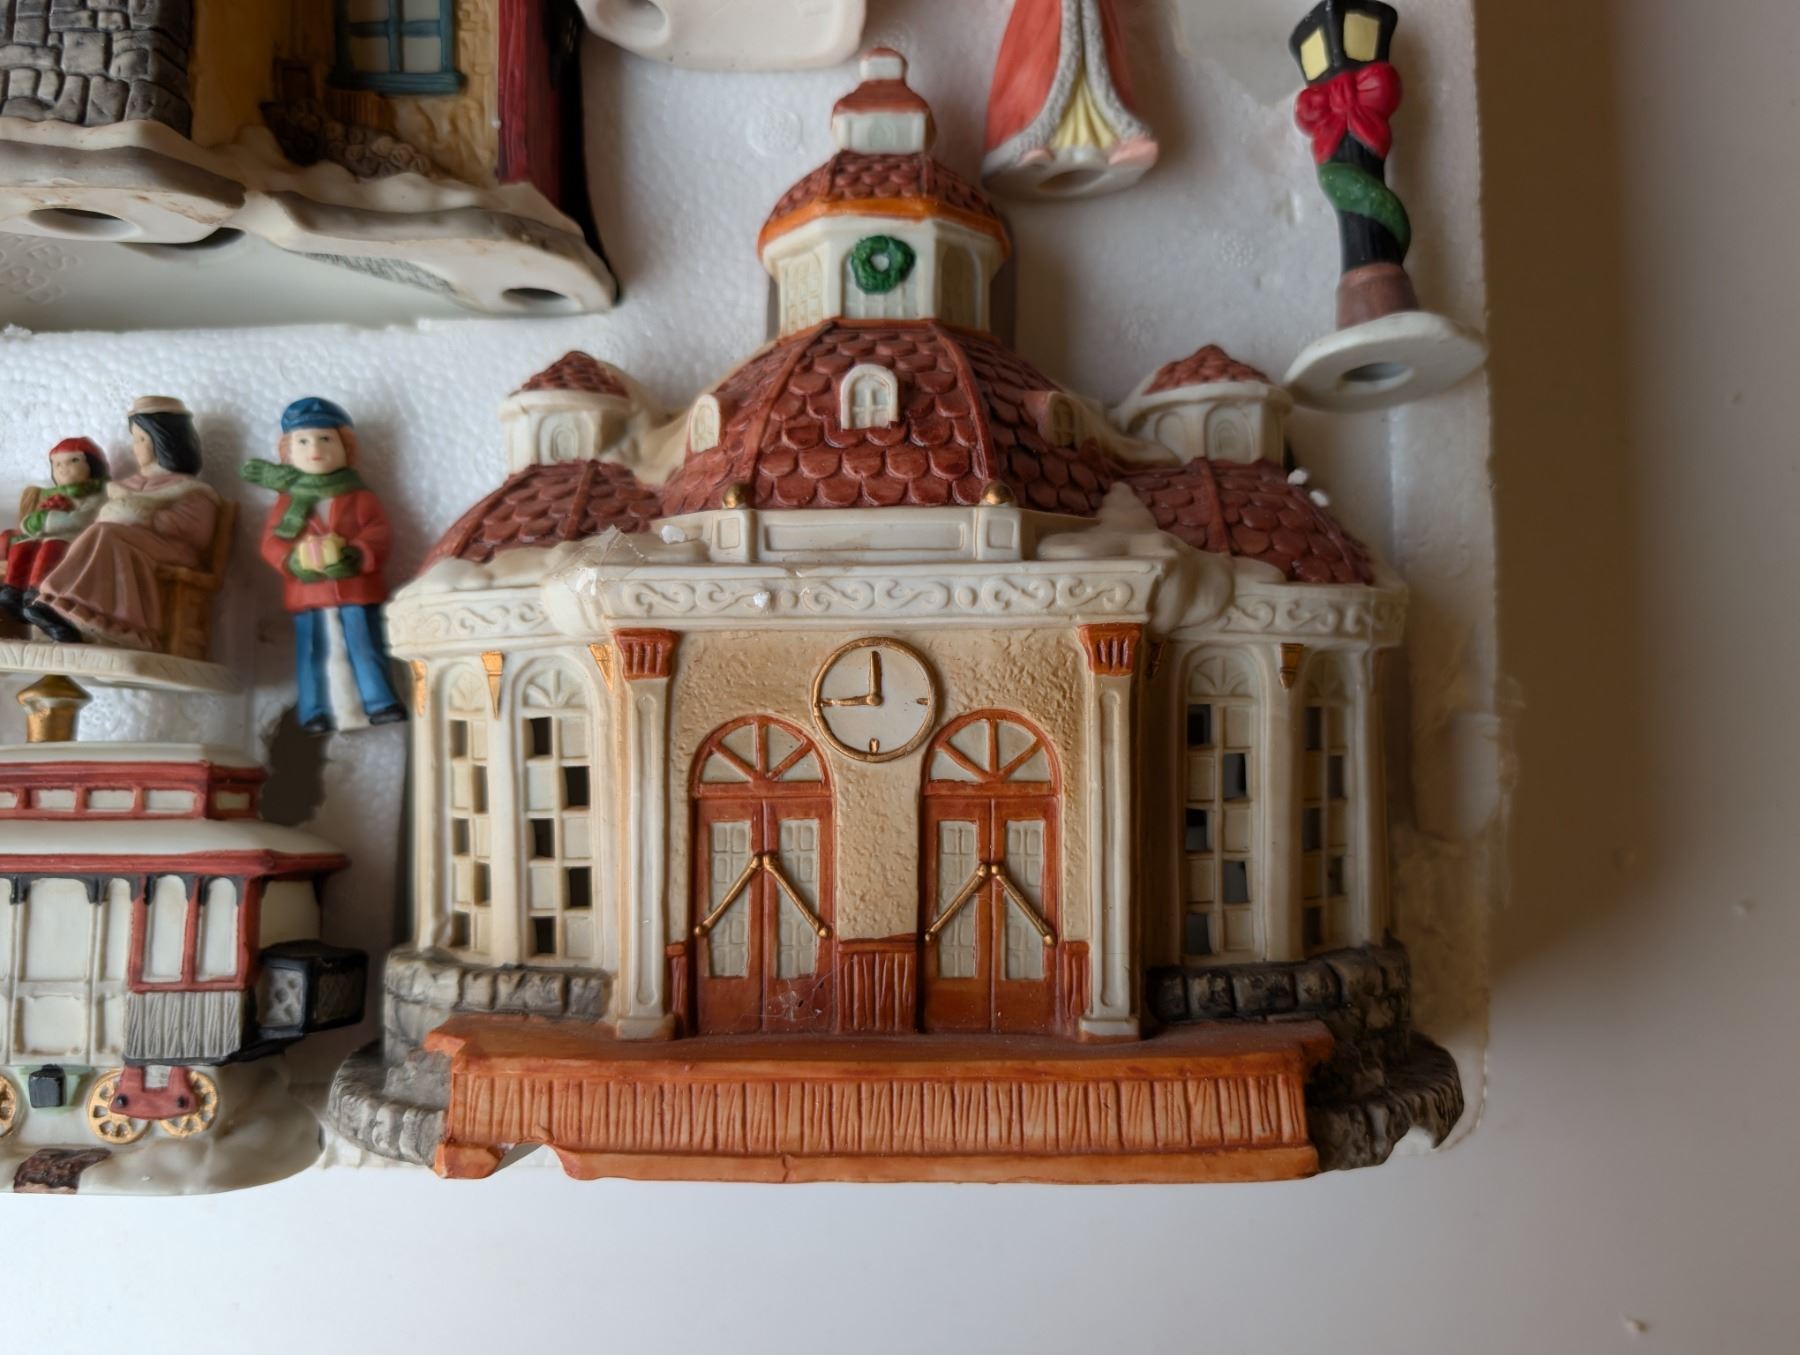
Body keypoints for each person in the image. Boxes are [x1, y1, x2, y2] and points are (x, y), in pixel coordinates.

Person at [242, 397, 405, 734]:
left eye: (326, 439)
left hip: (356, 588)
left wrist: (356, 554)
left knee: (365, 644)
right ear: (288, 451)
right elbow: (272, 542)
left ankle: (379, 700)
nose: (315, 449)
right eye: (303, 441)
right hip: (308, 592)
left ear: (346, 448)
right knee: (311, 651)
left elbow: (379, 533)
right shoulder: (288, 502)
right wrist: (293, 560)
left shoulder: (359, 497)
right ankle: (315, 708)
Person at [25, 398, 220, 649]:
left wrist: (146, 516)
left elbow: (198, 532)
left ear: (164, 441)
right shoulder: (128, 486)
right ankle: (60, 605)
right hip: (127, 542)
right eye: (134, 439)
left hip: (172, 549)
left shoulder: (189, 489)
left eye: (141, 439)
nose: (134, 447)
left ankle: (112, 622)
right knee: (100, 533)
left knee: (106, 534)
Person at [0, 437, 109, 621]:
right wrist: (32, 522)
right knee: (24, 545)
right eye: (57, 464)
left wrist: (45, 520)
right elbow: (32, 519)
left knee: (51, 545)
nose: (63, 467)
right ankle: (14, 591)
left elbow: (82, 519)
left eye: (73, 460)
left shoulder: (98, 493)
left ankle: (38, 593)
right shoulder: (50, 495)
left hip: (79, 539)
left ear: (92, 465)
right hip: (48, 536)